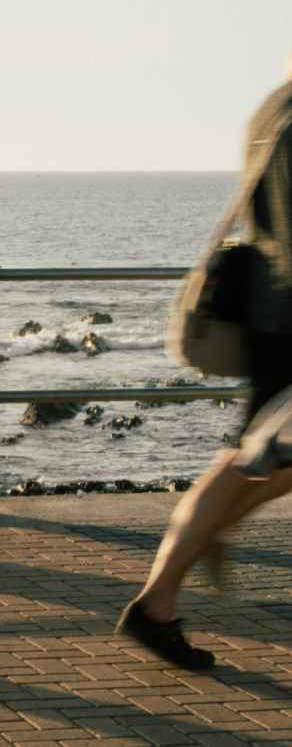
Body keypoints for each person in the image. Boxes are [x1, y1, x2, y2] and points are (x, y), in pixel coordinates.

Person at [117, 77, 292, 671]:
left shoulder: (273, 109)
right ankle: (161, 595)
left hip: (275, 315)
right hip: (289, 320)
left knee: (261, 456)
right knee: (254, 457)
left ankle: (180, 569)